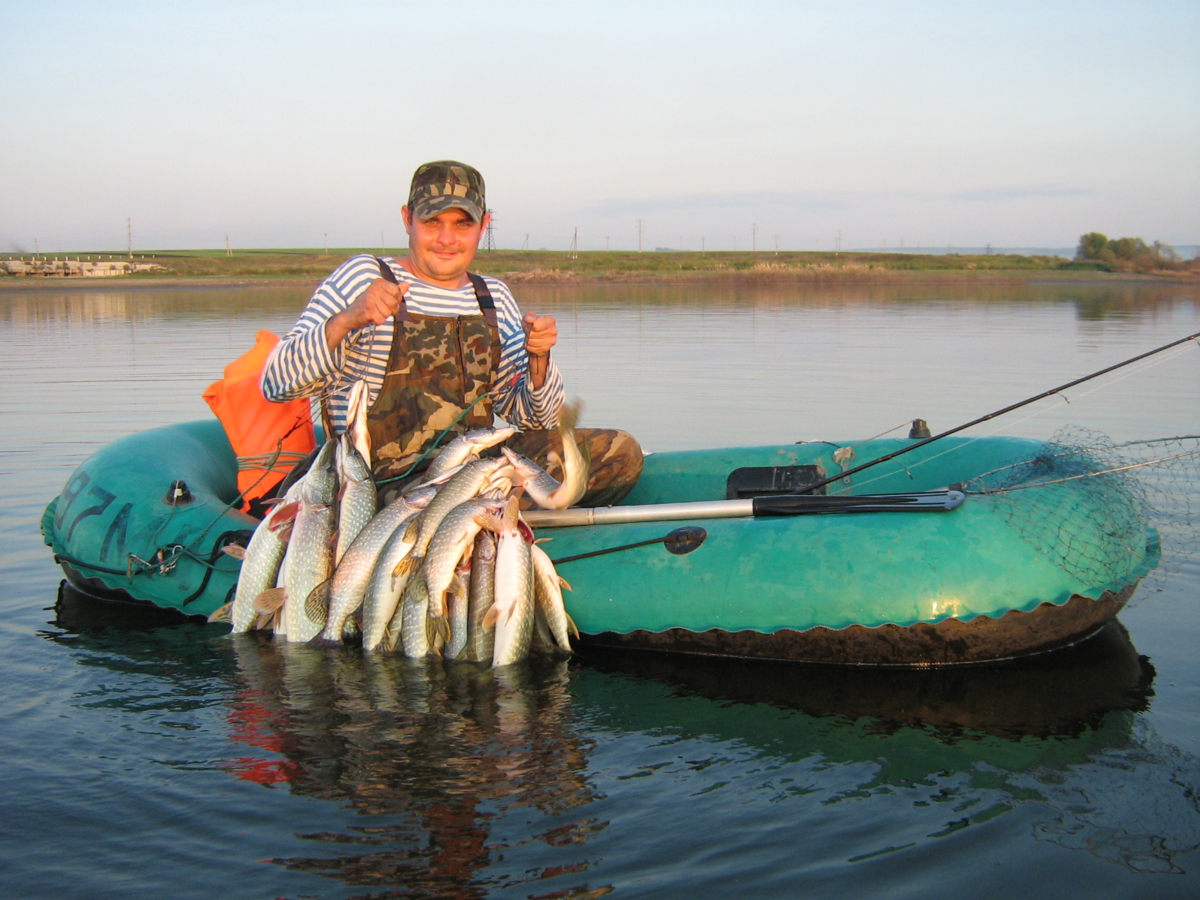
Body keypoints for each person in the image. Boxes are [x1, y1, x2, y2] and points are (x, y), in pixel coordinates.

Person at [261, 160, 641, 506]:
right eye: (432, 222)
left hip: (475, 470)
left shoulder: (492, 296)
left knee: (621, 451)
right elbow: (276, 384)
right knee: (462, 497)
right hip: (381, 484)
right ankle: (489, 520)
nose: (447, 239)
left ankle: (499, 519)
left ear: (483, 225)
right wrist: (345, 320)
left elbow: (533, 421)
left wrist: (538, 361)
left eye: (462, 224)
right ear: (407, 218)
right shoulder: (363, 276)